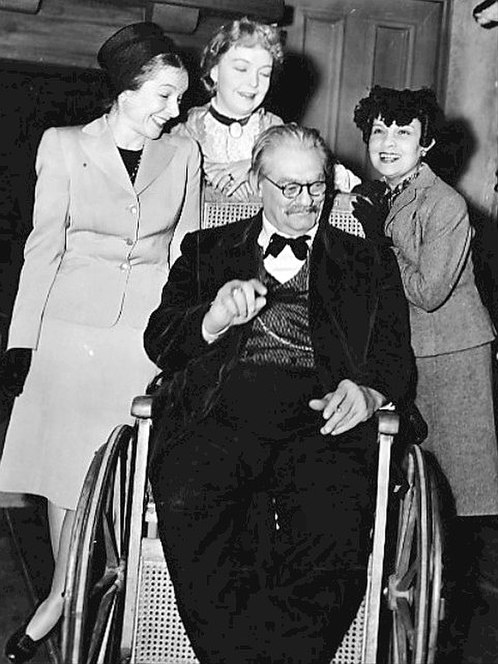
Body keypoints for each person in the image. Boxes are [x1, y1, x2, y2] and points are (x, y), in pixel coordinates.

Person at [144, 123, 414, 663]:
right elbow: (160, 341)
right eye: (288, 187)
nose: (305, 201)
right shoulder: (207, 249)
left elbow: (394, 359)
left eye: (315, 186)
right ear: (257, 181)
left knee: (333, 532)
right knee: (193, 499)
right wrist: (214, 317)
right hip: (221, 410)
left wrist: (369, 392)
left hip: (323, 416)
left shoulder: (367, 261)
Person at [0, 21, 200, 663]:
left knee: (123, 469)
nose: (174, 112)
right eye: (164, 96)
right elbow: (43, 247)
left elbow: (185, 250)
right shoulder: (63, 146)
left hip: (144, 330)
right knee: (64, 473)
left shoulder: (184, 151)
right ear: (125, 88)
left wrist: (183, 335)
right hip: (69, 330)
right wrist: (21, 340)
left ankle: (94, 592)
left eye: (179, 98)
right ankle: (63, 595)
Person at [353, 85, 498, 663]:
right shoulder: (384, 194)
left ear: (428, 143)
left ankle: (446, 643)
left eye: (404, 133)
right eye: (380, 132)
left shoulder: (444, 205)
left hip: (450, 357)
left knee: (450, 506)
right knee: (414, 500)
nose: (389, 143)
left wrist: (378, 234)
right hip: (408, 353)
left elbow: (428, 291)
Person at [173, 17, 359, 201]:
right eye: (241, 69)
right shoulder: (188, 128)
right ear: (214, 71)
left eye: (264, 73)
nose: (254, 82)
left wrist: (259, 166)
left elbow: (328, 172)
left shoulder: (275, 128)